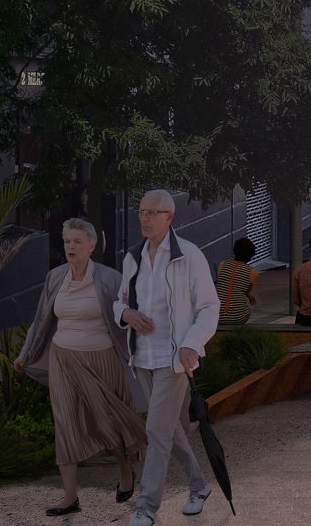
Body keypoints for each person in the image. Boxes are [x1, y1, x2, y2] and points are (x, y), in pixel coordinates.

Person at [16, 218, 143, 517]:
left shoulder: (111, 279)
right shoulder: (55, 277)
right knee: (66, 425)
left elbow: (128, 316)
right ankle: (69, 496)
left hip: (102, 360)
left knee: (109, 423)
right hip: (63, 359)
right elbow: (40, 319)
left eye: (77, 242)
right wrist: (26, 354)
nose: (70, 247)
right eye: (67, 241)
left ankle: (126, 470)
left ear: (91, 245)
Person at [113, 190, 218, 526]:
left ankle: (145, 508)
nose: (144, 218)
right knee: (168, 430)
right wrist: (127, 313)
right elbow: (119, 301)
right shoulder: (133, 257)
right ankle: (199, 486)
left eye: (152, 212)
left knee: (156, 430)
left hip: (174, 360)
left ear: (170, 217)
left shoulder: (189, 256)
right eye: (141, 211)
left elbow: (209, 307)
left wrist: (191, 343)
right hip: (141, 357)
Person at [216, 237, 259, 327]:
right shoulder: (253, 273)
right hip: (238, 317)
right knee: (247, 310)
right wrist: (249, 294)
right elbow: (246, 290)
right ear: (251, 256)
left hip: (215, 315)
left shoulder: (222, 264)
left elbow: (226, 284)